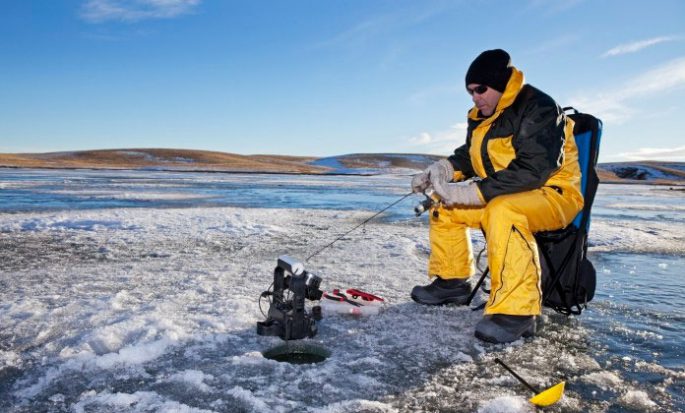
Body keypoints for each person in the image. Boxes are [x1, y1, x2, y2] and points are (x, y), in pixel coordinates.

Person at [410, 49, 584, 344]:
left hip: (553, 195)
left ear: (501, 84)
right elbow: (469, 157)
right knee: (444, 207)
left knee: (503, 211)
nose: (475, 97)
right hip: (507, 192)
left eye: (481, 89)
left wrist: (473, 191)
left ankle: (517, 312)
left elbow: (533, 170)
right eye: (470, 92)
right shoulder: (481, 117)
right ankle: (452, 281)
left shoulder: (538, 107)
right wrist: (441, 170)